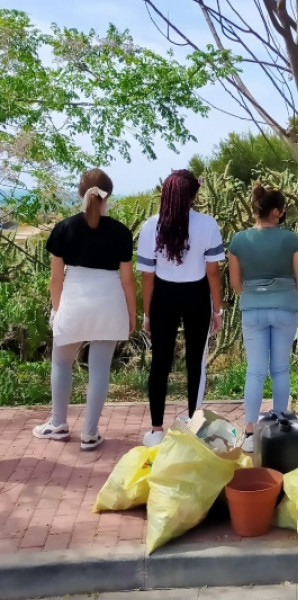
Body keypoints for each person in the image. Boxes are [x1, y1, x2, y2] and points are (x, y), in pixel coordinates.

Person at [33, 169, 136, 451]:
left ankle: (58, 424)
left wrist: (57, 310)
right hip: (109, 302)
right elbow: (127, 280)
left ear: (81, 193)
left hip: (74, 301)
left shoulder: (64, 228)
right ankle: (90, 434)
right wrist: (132, 313)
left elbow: (56, 279)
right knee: (100, 367)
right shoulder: (121, 232)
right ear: (108, 196)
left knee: (61, 362)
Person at [137, 170, 226, 447]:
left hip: (163, 296)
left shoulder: (150, 226)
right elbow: (213, 272)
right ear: (193, 196)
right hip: (197, 295)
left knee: (160, 363)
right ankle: (195, 426)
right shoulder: (208, 224)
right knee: (195, 363)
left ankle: (156, 430)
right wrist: (218, 310)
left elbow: (147, 276)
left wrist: (147, 313)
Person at [228, 184, 298, 453]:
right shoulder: (291, 239)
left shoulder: (238, 241)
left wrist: (255, 294)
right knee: (281, 369)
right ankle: (281, 429)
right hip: (284, 306)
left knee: (256, 371)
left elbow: (236, 282)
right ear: (276, 212)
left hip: (252, 308)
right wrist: (282, 293)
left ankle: (250, 433)